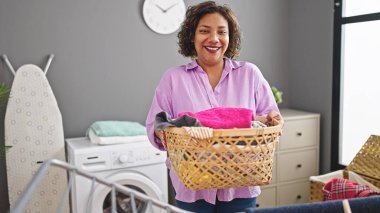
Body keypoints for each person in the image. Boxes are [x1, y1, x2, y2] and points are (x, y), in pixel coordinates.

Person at [146, 1, 283, 212]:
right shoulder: (173, 79)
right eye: (204, 31)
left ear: (230, 37)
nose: (214, 39)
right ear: (192, 36)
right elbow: (155, 125)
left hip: (241, 184)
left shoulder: (250, 74)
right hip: (191, 187)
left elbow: (270, 119)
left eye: (222, 32)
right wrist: (170, 130)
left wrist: (273, 118)